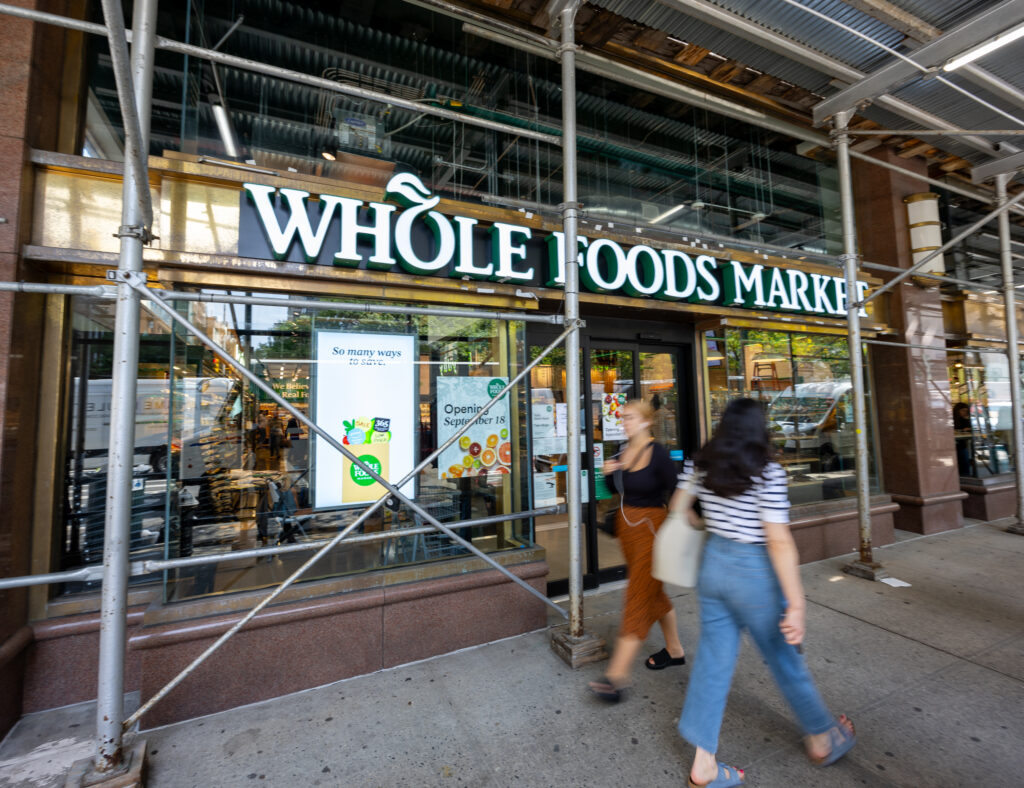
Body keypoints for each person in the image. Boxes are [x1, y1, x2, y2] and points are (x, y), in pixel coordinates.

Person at [675, 398, 855, 788]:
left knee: (713, 664)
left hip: (713, 564)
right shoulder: (767, 471)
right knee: (783, 657)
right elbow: (778, 540)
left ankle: (703, 763)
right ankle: (822, 736)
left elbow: (680, 508)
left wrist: (707, 523)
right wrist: (797, 603)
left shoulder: (700, 463)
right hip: (752, 571)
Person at [588, 399, 687, 702]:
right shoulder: (620, 451)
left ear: (646, 421)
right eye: (622, 418)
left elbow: (677, 489)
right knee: (652, 593)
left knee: (638, 595)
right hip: (627, 532)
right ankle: (675, 649)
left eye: (629, 417)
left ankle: (617, 675)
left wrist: (680, 526)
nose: (624, 422)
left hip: (651, 531)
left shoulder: (658, 454)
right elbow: (616, 490)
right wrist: (607, 473)